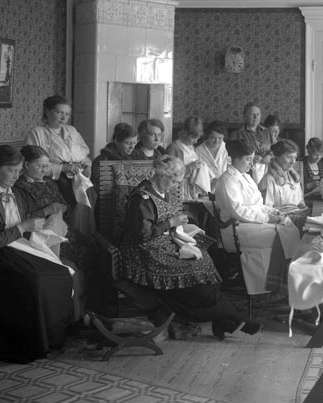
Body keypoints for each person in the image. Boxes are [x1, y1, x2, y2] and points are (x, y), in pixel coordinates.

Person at [119, 155, 260, 341]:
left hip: (163, 245)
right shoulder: (141, 198)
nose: (174, 186)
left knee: (205, 260)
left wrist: (183, 225)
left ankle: (225, 320)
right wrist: (171, 222)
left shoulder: (161, 191)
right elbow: (143, 235)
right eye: (173, 182)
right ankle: (234, 319)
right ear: (162, 175)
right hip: (144, 253)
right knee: (199, 280)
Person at [0, 145, 74, 362]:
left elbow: (24, 215)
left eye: (19, 170)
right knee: (36, 280)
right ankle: (30, 343)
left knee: (60, 272)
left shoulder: (15, 193)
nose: (16, 175)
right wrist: (22, 227)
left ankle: (53, 338)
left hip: (14, 248)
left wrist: (43, 216)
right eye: (11, 170)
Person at [15, 145, 90, 320]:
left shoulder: (50, 183)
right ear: (26, 165)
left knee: (93, 250)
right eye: (39, 166)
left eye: (46, 166)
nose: (44, 170)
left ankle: (88, 309)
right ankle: (75, 314)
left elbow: (66, 207)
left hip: (63, 228)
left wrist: (63, 208)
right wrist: (47, 210)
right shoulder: (19, 188)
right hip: (41, 236)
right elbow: (22, 219)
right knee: (75, 262)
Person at [215, 139, 286, 296]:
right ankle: (267, 285)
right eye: (248, 159)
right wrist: (266, 219)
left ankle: (276, 283)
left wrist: (272, 212)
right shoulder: (228, 179)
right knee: (280, 234)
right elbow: (237, 211)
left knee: (286, 229)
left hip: (250, 223)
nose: (251, 163)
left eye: (252, 159)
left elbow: (258, 204)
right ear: (235, 159)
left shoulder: (245, 177)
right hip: (236, 228)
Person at [25, 95, 93, 211]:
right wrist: (62, 168)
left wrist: (87, 166)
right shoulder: (37, 133)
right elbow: (33, 165)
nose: (63, 117)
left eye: (67, 114)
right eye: (59, 113)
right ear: (47, 112)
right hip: (54, 182)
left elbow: (84, 156)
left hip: (78, 180)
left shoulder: (72, 130)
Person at [166, 116, 208, 202]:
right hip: (178, 190)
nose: (196, 141)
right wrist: (190, 167)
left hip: (191, 190)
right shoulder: (174, 147)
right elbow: (169, 173)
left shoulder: (191, 147)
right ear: (185, 133)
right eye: (193, 138)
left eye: (197, 138)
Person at [229, 102, 272, 182]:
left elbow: (275, 149)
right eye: (252, 114)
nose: (255, 117)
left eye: (258, 114)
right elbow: (232, 155)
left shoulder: (267, 132)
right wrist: (250, 158)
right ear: (245, 116)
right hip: (247, 173)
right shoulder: (237, 134)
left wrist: (269, 156)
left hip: (266, 171)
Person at [259, 139, 306, 210]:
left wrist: (304, 210)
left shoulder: (294, 177)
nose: (293, 162)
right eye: (289, 157)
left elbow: (300, 202)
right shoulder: (269, 179)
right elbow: (266, 209)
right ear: (277, 157)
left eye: (295, 158)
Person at [90, 122, 138, 191]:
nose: (132, 147)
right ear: (117, 141)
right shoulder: (103, 160)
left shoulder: (137, 157)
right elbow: (99, 186)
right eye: (128, 143)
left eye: (134, 143)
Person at [195, 120, 229, 192]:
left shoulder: (227, 149)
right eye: (213, 138)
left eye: (220, 138)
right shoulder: (198, 151)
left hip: (224, 188)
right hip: (204, 190)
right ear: (208, 136)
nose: (216, 141)